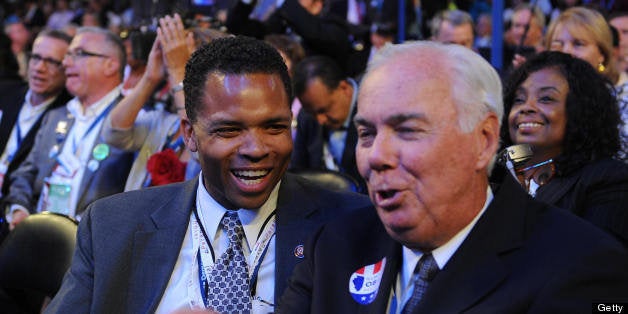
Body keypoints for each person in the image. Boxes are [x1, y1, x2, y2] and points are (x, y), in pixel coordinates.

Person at [278, 41, 628, 313]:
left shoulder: (581, 265)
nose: (377, 157)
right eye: (367, 133)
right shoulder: (334, 245)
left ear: (484, 140)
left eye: (408, 130)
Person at [45, 36, 370, 314]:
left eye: (274, 127)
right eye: (230, 130)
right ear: (190, 135)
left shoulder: (353, 226)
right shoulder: (111, 226)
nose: (256, 148)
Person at [2, 27, 134, 228]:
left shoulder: (132, 120)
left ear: (110, 65)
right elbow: (24, 174)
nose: (66, 63)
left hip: (90, 247)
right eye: (67, 56)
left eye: (78, 54)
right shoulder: (56, 116)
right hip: (38, 235)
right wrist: (19, 209)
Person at [501, 51, 628, 245]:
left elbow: (598, 264)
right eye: (519, 99)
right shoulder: (494, 174)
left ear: (580, 110)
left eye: (546, 99)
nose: (526, 107)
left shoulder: (609, 180)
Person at [102, 14, 229, 191]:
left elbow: (200, 146)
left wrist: (178, 71)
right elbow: (113, 134)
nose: (173, 70)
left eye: (187, 63)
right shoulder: (165, 123)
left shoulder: (227, 130)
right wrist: (150, 78)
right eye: (171, 62)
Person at [545, 6, 628, 158]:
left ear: (602, 54)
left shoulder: (623, 99)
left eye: (578, 44)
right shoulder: (539, 98)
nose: (566, 51)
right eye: (558, 44)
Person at [0, 30, 73, 198]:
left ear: (67, 68)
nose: (40, 68)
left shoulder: (67, 115)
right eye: (36, 58)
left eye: (52, 62)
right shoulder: (5, 93)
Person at [290, 55, 366, 192]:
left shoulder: (372, 109)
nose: (320, 120)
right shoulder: (307, 117)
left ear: (344, 89)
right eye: (313, 113)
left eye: (324, 110)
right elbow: (298, 175)